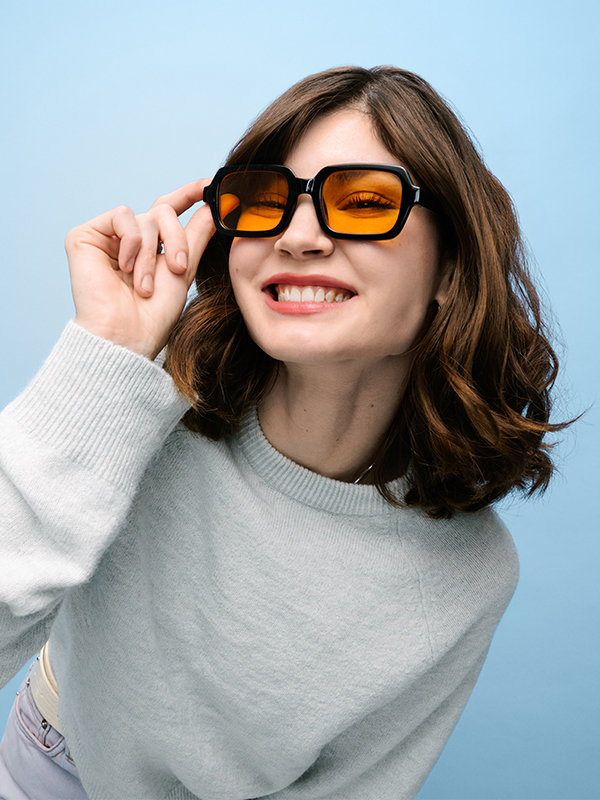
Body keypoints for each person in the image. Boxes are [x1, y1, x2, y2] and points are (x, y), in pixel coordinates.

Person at [0, 65, 568, 799]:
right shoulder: (144, 398)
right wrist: (107, 352)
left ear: (450, 269)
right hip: (43, 763)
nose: (298, 237)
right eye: (265, 201)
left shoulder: (471, 575)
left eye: (364, 202)